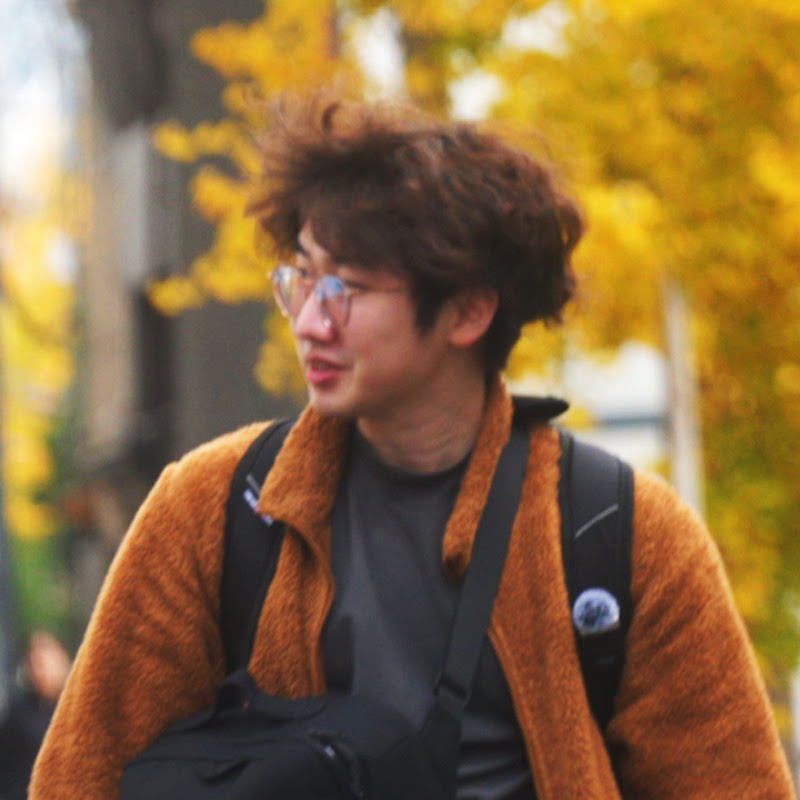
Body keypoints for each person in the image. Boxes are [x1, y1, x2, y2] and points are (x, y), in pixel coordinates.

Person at [31, 91, 794, 799]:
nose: (310, 322)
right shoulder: (210, 510)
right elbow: (78, 781)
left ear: (468, 312)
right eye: (303, 278)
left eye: (348, 289)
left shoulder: (622, 534)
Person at [0, 631, 71, 800]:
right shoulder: (19, 715)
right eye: (37, 663)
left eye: (49, 661)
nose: (43, 671)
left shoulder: (80, 708)